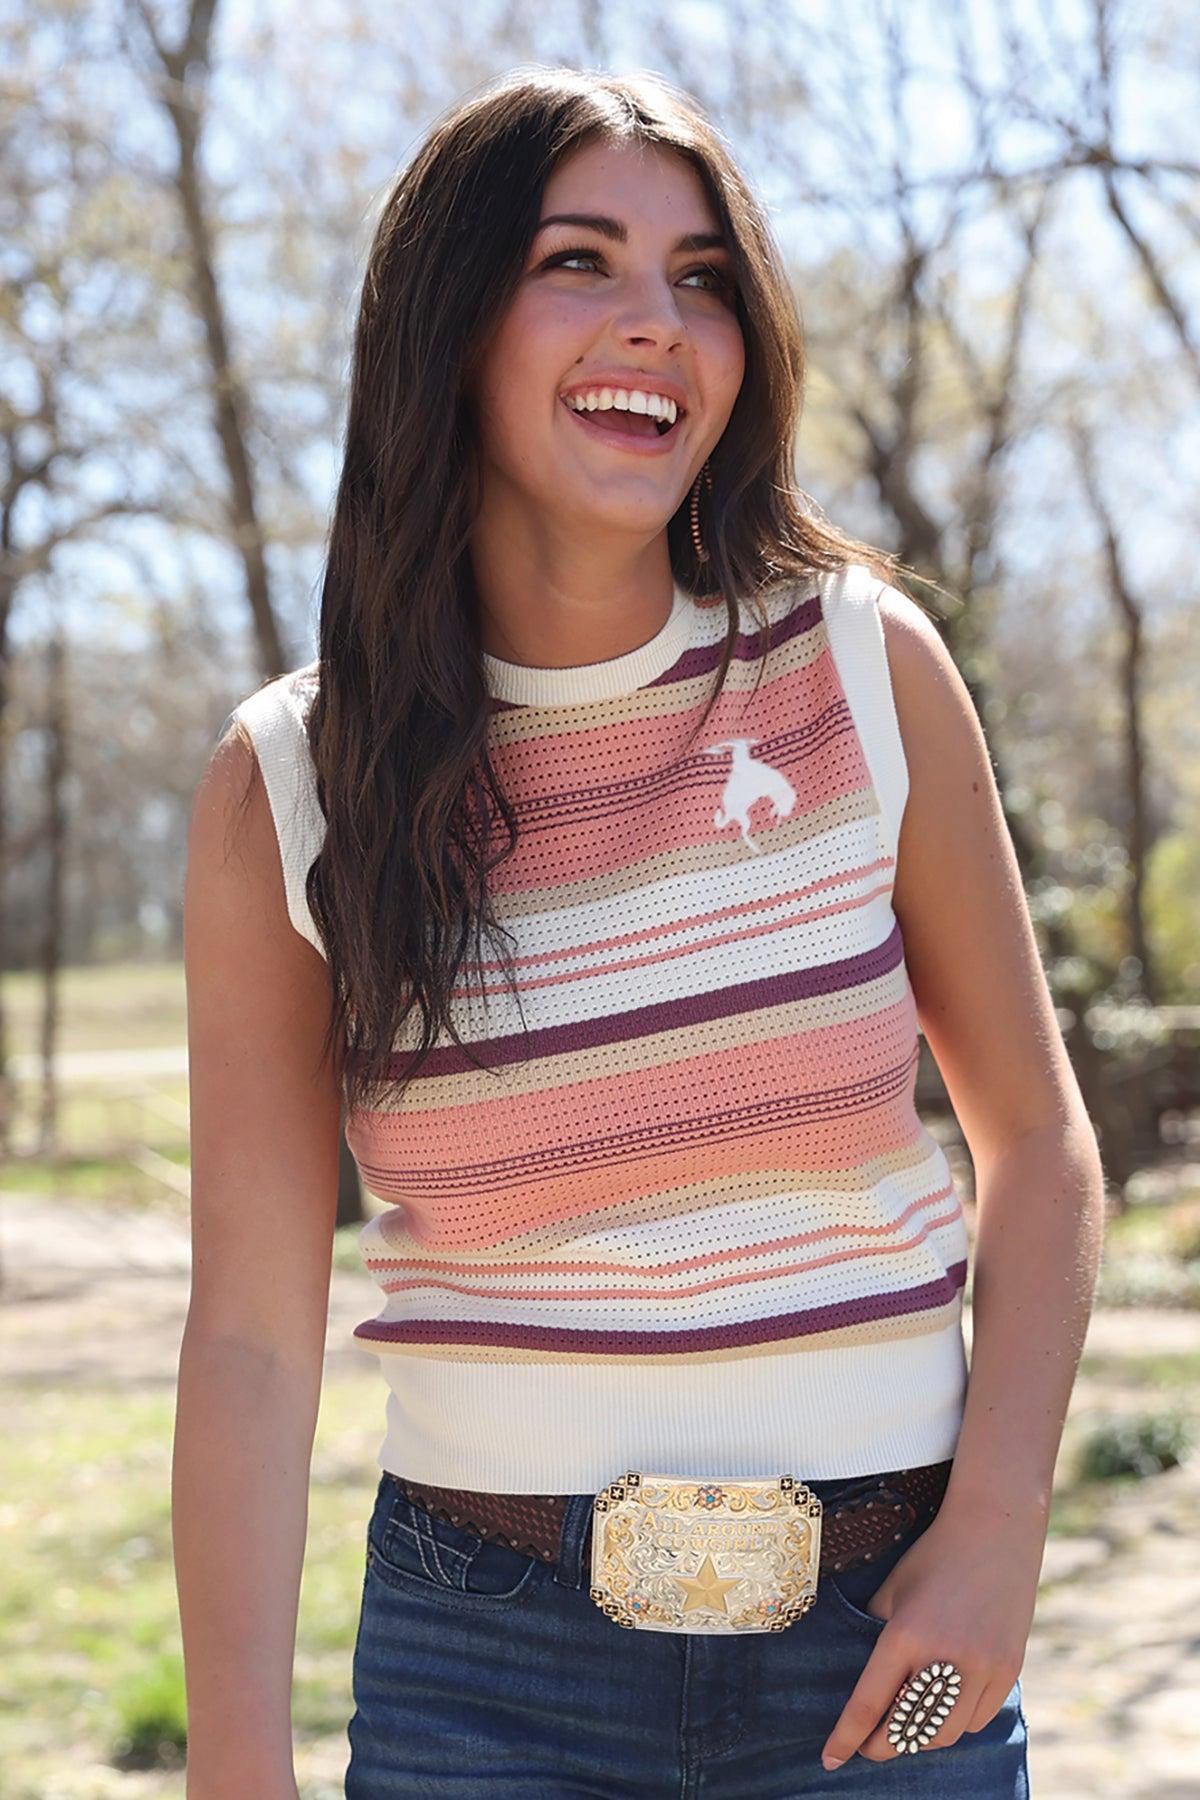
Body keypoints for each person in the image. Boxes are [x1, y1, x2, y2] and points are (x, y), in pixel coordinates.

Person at [175, 65, 1106, 1799]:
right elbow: (244, 1323)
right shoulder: (290, 785)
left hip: (885, 1633)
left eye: (702, 279)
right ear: (446, 323)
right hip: (481, 1668)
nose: (656, 324)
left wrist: (1000, 1530)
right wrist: (234, 1752)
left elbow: (1038, 1145)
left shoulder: (861, 664)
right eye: (580, 261)